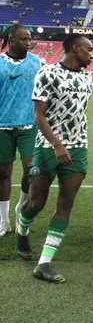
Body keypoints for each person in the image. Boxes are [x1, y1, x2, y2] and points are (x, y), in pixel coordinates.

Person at [15, 33, 93, 283]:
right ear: (74, 48)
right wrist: (57, 144)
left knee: (66, 203)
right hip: (48, 147)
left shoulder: (87, 77)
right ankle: (22, 228)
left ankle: (44, 263)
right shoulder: (47, 74)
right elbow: (39, 115)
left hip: (78, 147)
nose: (92, 55)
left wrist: (71, 142)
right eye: (88, 49)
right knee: (36, 203)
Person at [0, 23, 45, 236]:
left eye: (29, 39)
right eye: (23, 39)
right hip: (2, 126)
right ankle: (3, 220)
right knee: (3, 172)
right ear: (11, 40)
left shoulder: (38, 63)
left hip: (29, 125)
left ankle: (21, 207)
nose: (28, 43)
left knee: (31, 169)